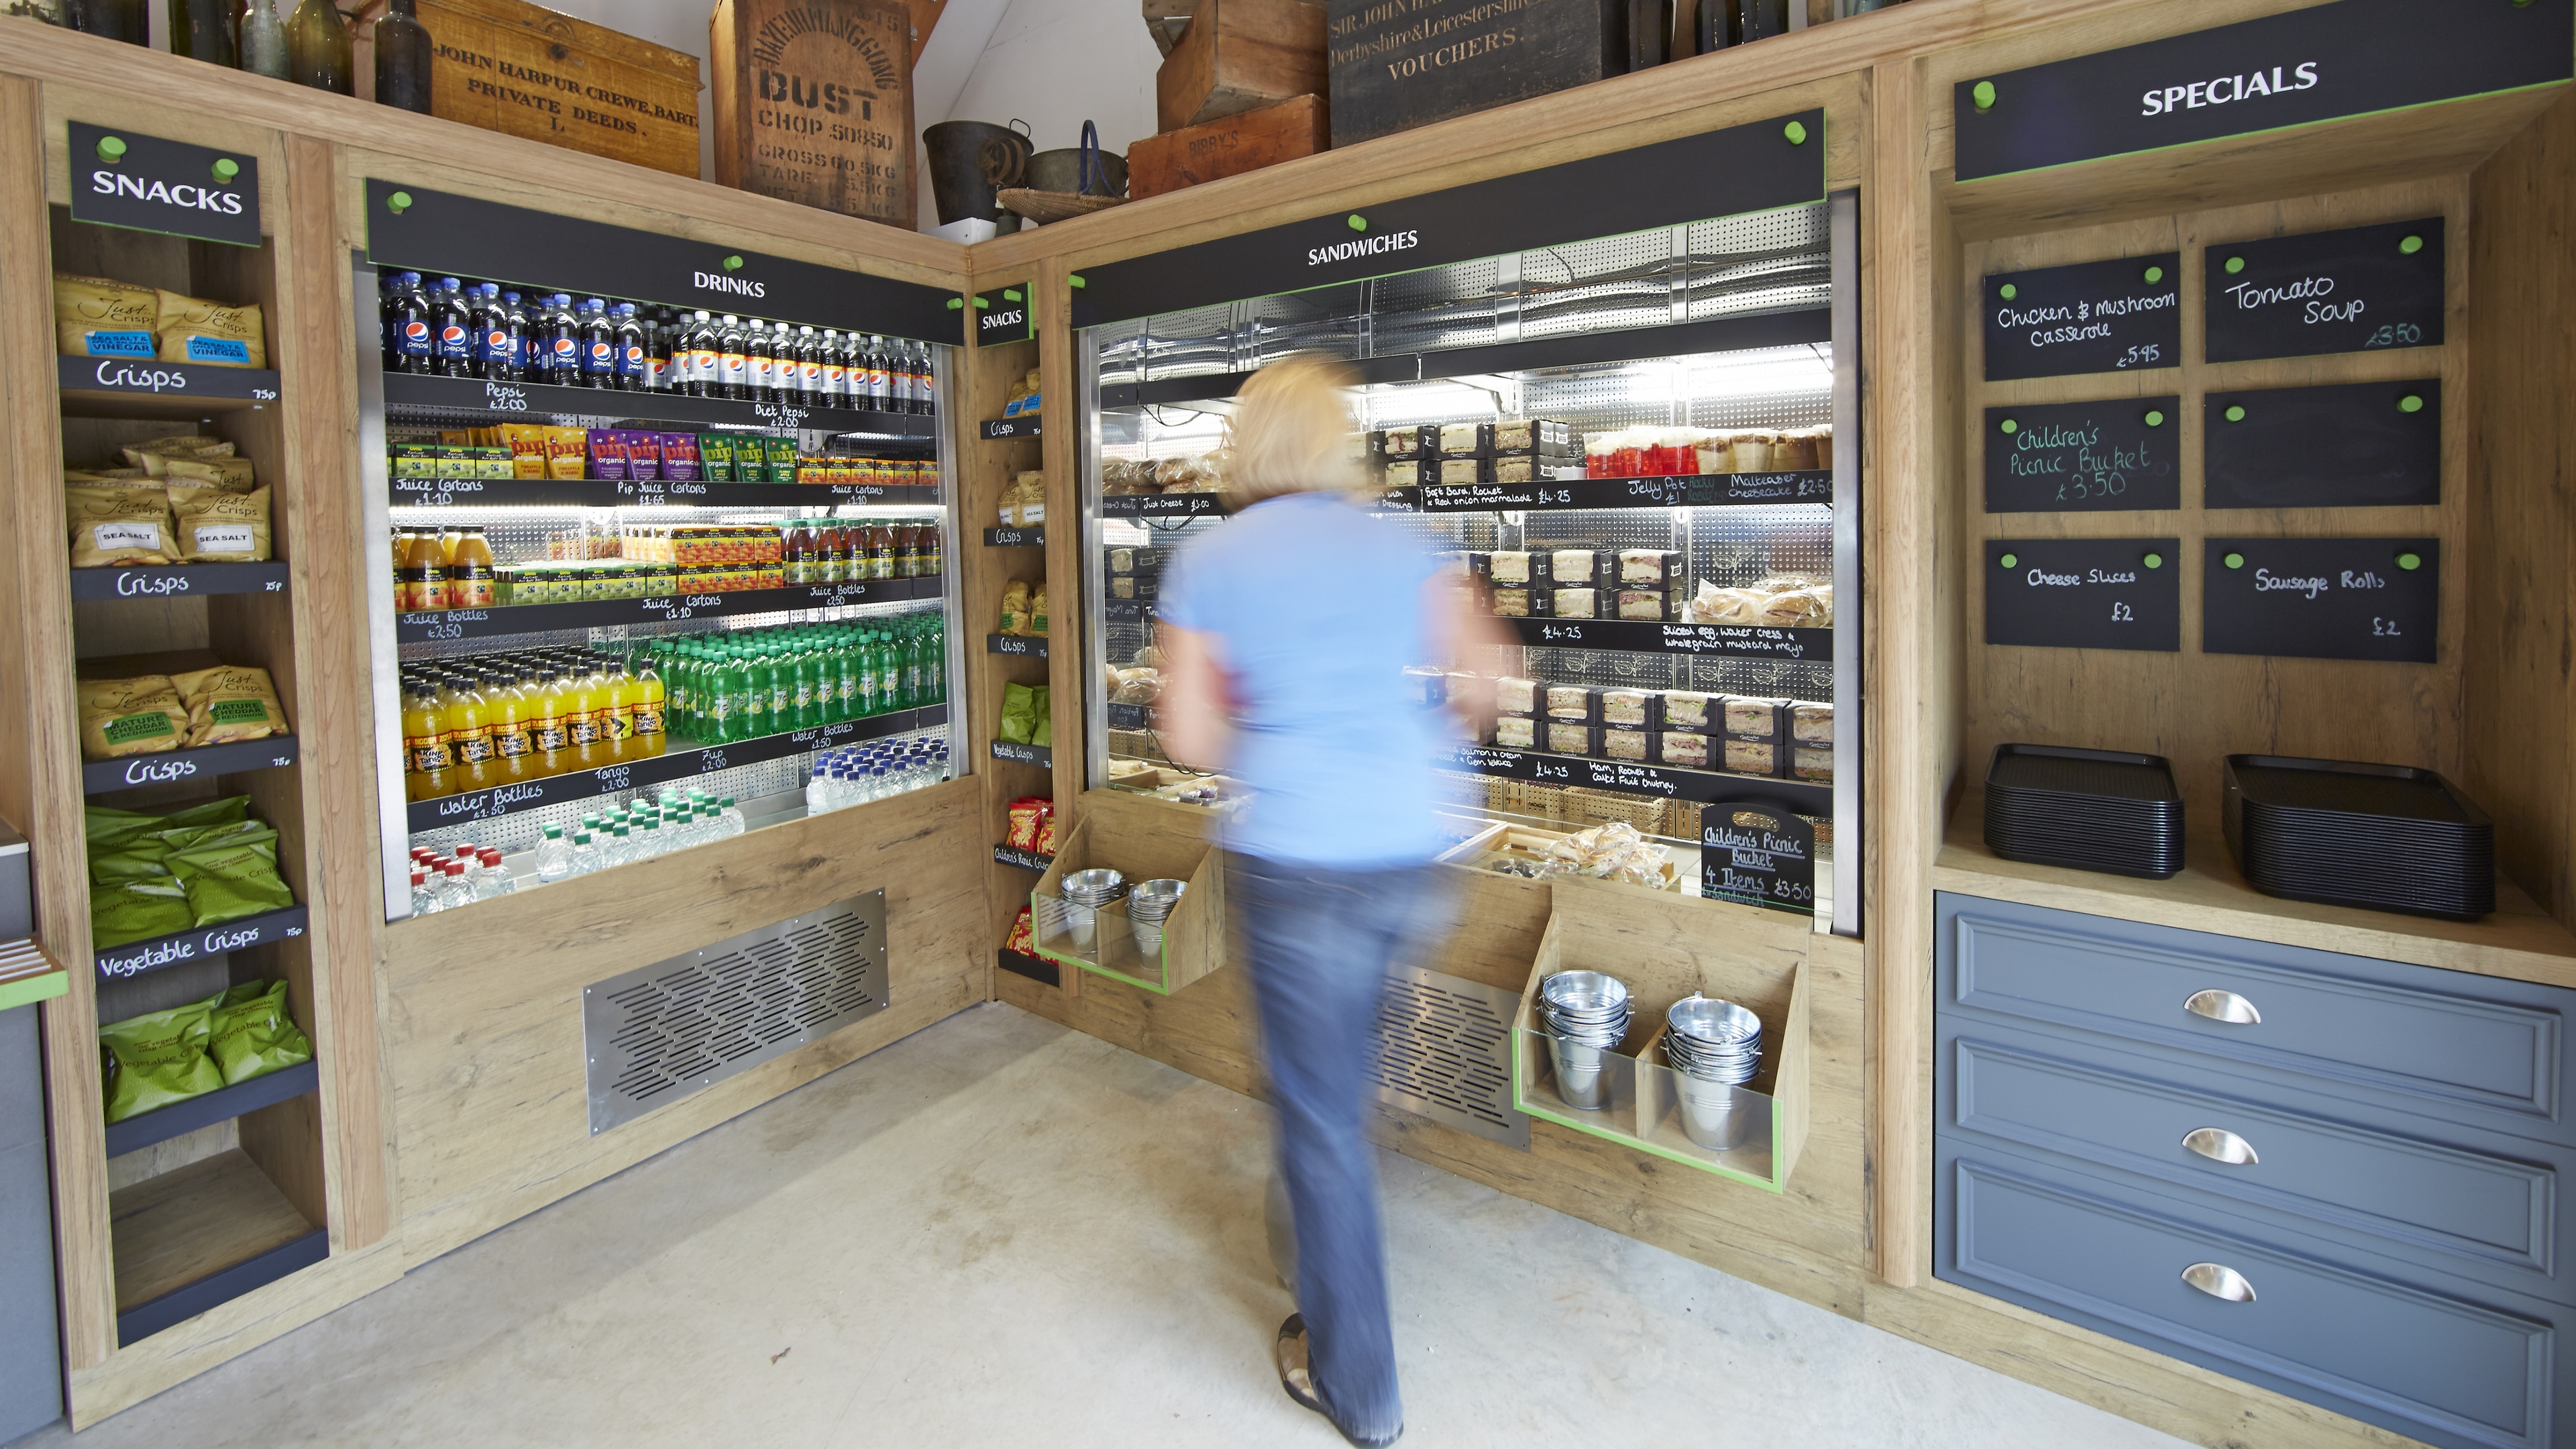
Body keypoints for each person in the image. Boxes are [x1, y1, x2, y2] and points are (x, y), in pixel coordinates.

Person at [1156, 355, 1512, 1446]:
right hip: (1412, 851)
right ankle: (1327, 1213)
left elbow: (1187, 737)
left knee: (1319, 1120)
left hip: (1301, 855)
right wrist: (1395, 751)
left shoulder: (1212, 558)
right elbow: (1486, 686)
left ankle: (1358, 1388)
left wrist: (1280, 736)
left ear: (1246, 446)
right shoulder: (1406, 542)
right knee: (1342, 1084)